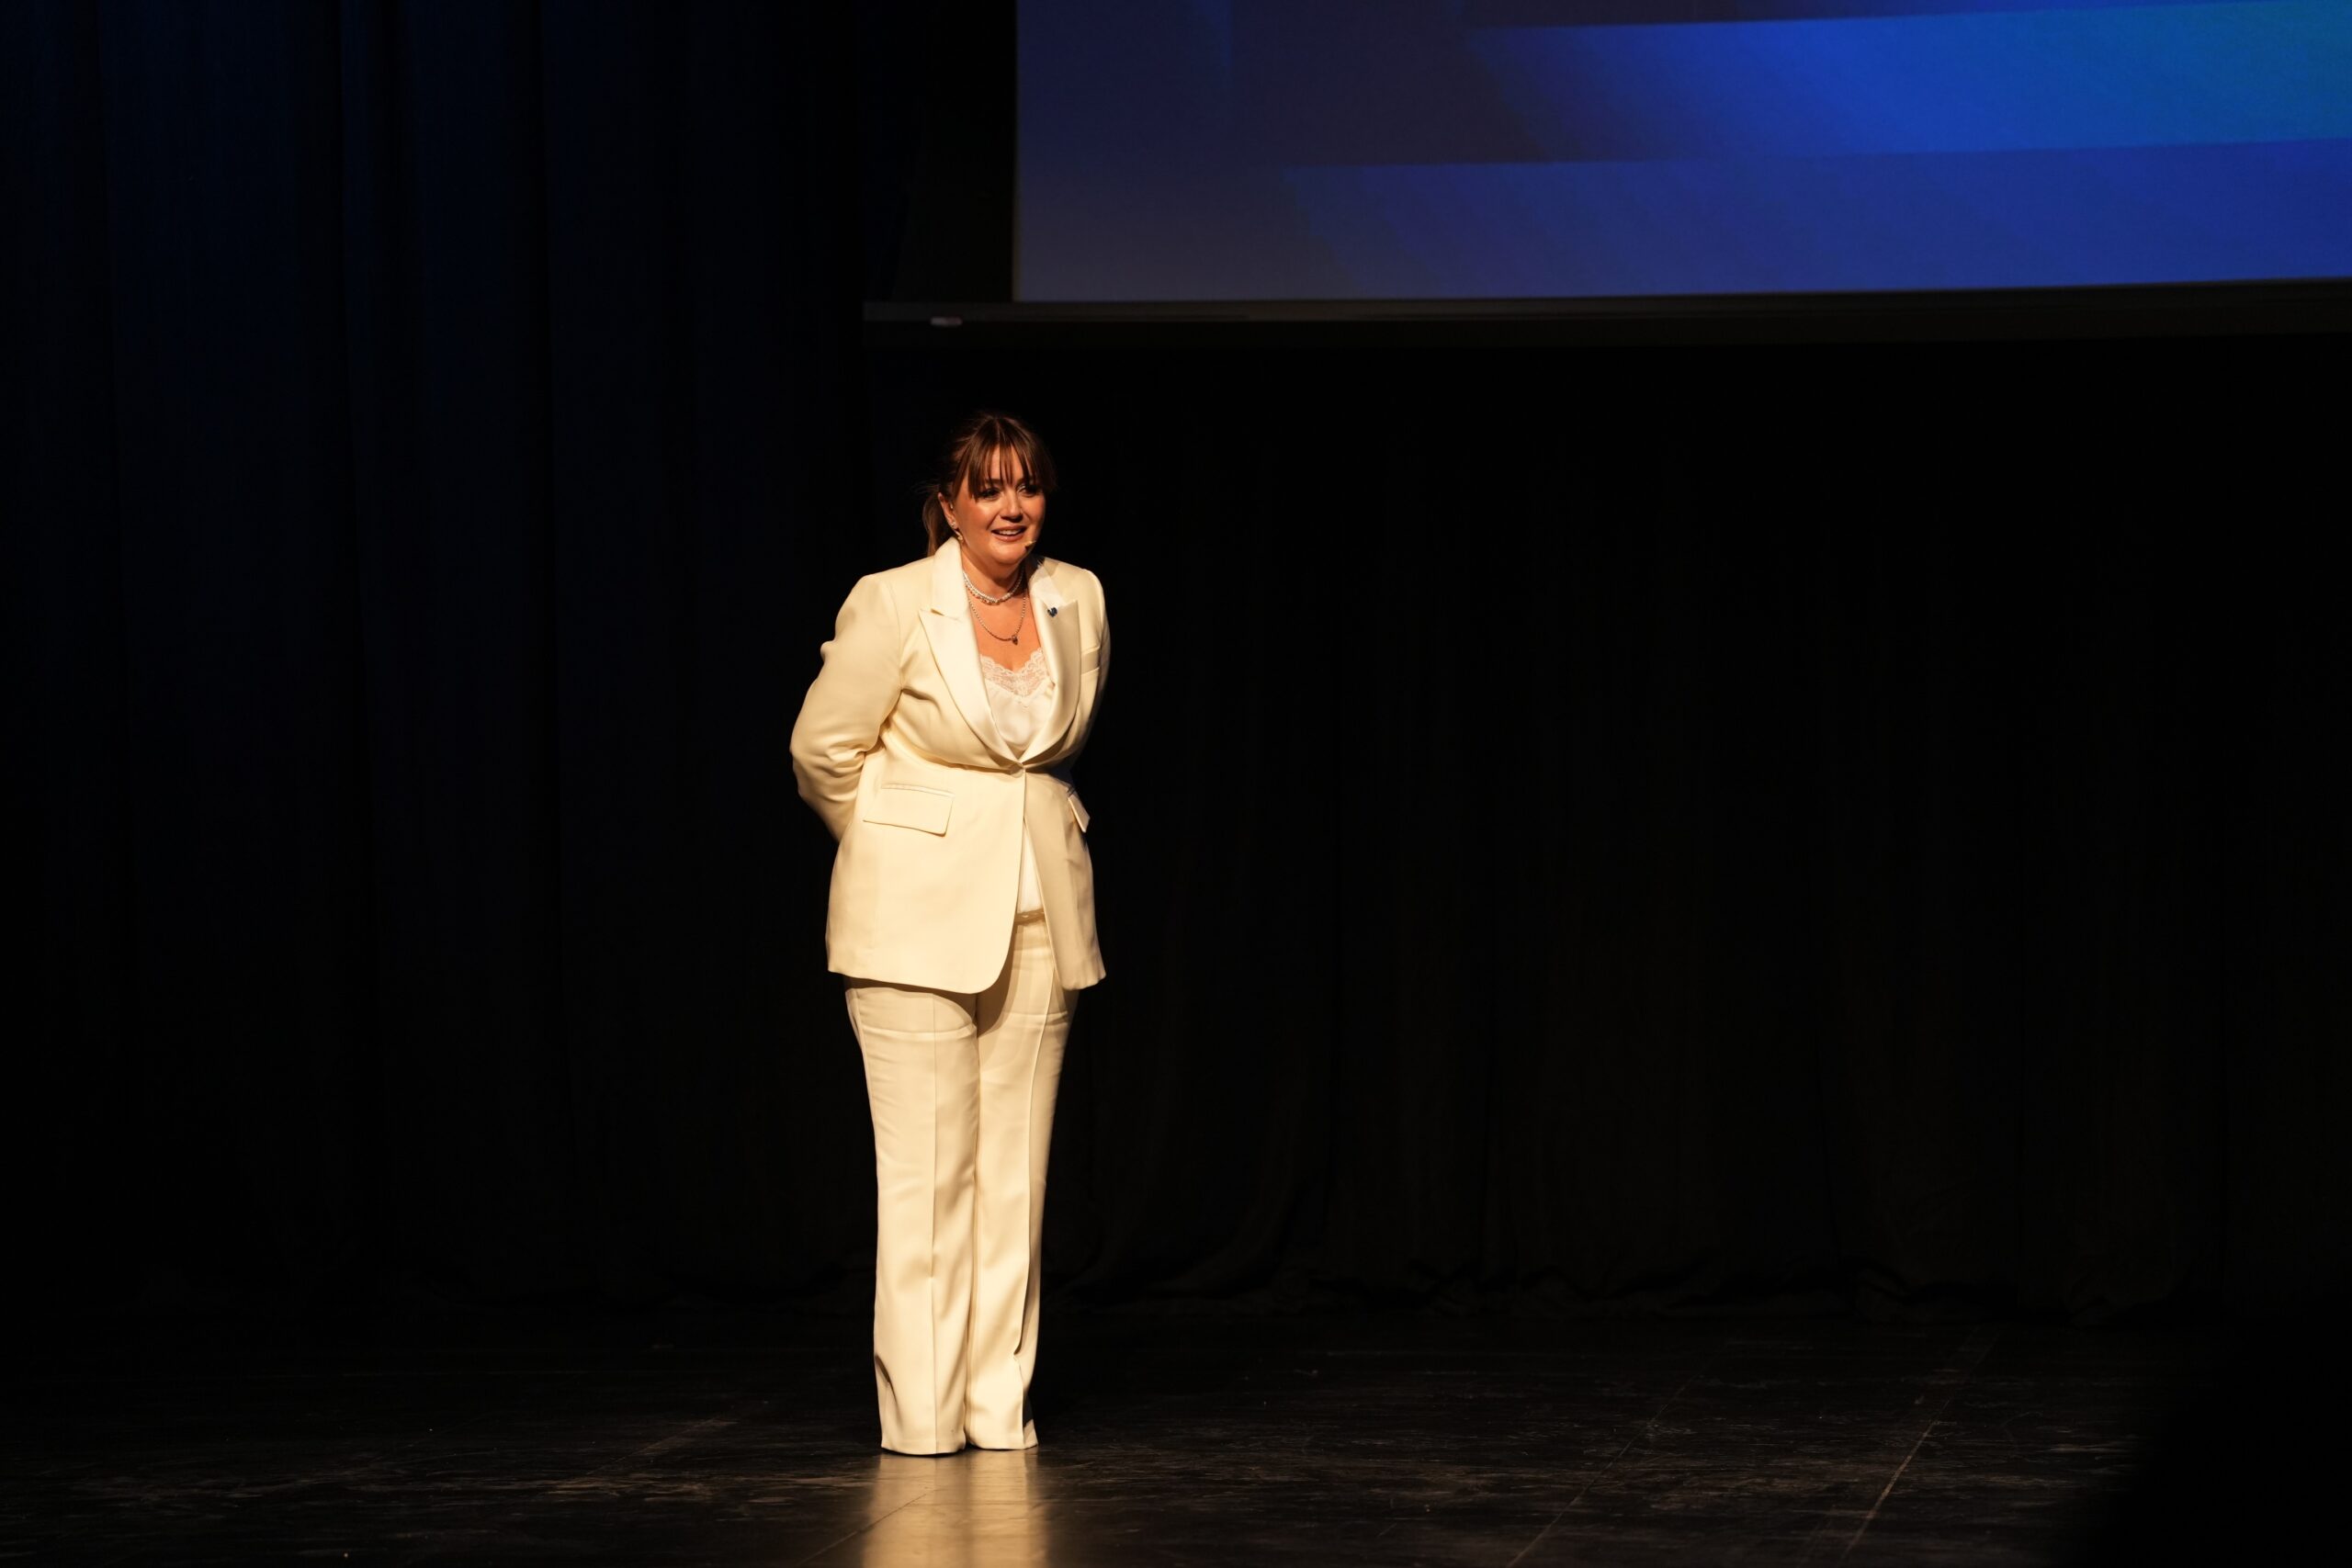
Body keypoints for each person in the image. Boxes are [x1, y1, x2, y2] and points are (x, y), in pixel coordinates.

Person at [789, 411, 1109, 1455]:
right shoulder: (892, 600)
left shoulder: (1078, 597)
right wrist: (899, 844)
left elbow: (1053, 753)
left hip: (1039, 910)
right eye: (989, 489)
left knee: (1015, 1178)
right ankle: (923, 1419)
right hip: (912, 921)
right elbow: (823, 752)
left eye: (1027, 486)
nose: (1012, 506)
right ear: (949, 505)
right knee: (929, 1175)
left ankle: (995, 1404)